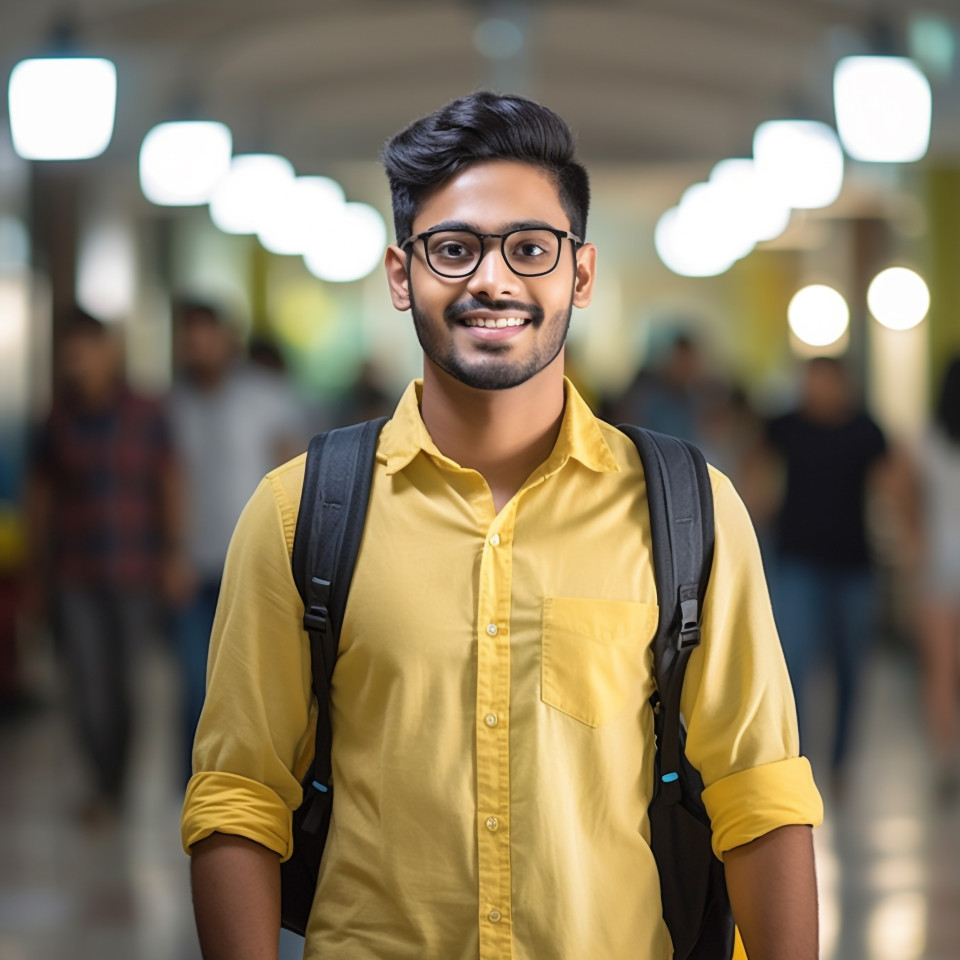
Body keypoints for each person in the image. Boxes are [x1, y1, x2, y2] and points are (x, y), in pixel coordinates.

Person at [181, 92, 822, 960]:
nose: (492, 280)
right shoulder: (298, 512)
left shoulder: (687, 509)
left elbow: (759, 792)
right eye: (454, 249)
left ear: (580, 275)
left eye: (530, 248)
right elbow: (239, 796)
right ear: (401, 275)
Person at [24, 308, 182, 822]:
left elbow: (170, 483)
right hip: (76, 573)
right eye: (71, 355)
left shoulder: (146, 414)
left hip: (135, 570)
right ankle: (103, 786)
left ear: (109, 353)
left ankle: (118, 783)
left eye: (87, 352)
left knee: (125, 687)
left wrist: (173, 553)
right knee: (87, 686)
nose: (79, 363)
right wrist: (36, 570)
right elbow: (40, 496)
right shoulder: (57, 419)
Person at [168, 302, 308, 782]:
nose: (197, 345)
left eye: (206, 334)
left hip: (256, 564)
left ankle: (250, 779)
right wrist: (172, 553)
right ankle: (198, 782)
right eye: (189, 335)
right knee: (195, 682)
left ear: (227, 338)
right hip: (194, 565)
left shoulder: (267, 398)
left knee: (254, 680)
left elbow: (293, 473)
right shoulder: (172, 407)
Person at [764, 356, 889, 787]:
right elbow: (757, 472)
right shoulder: (784, 427)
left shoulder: (865, 431)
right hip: (797, 560)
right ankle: (795, 756)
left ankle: (841, 760)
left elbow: (890, 482)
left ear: (842, 385)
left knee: (851, 664)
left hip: (853, 564)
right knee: (794, 661)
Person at [910, 356, 960, 803]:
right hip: (938, 568)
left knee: (940, 674)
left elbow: (904, 498)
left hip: (939, 567)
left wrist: (915, 546)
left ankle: (945, 759)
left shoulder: (927, 440)